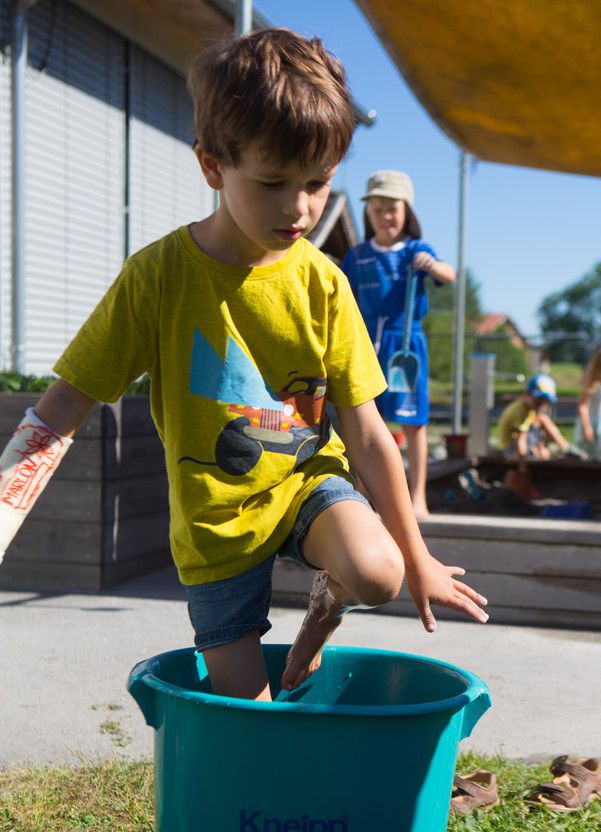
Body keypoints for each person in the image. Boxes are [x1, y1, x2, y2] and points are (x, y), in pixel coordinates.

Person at [0, 29, 488, 703]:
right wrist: (4, 510)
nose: (299, 209)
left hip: (304, 485)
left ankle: (325, 606)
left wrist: (419, 555)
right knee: (244, 707)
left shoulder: (323, 282)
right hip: (213, 526)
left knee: (380, 573)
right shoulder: (159, 277)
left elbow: (370, 433)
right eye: (272, 183)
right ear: (211, 166)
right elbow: (65, 403)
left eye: (317, 184)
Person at [341, 170, 455, 519]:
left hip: (405, 347)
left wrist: (432, 266)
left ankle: (417, 496)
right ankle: (364, 497)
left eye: (392, 208)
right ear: (368, 213)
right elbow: (342, 295)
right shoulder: (358, 256)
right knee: (363, 423)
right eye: (377, 209)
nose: (385, 216)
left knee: (413, 422)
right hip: (365, 346)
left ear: (407, 211)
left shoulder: (416, 251)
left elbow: (448, 275)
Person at [496, 374, 571, 499]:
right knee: (543, 455)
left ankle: (566, 448)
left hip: (522, 444)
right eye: (538, 401)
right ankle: (527, 489)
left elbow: (536, 432)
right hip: (511, 447)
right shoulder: (520, 412)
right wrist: (522, 467)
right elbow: (521, 441)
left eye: (543, 402)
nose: (540, 404)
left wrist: (540, 445)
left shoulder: (530, 409)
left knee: (543, 419)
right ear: (527, 394)